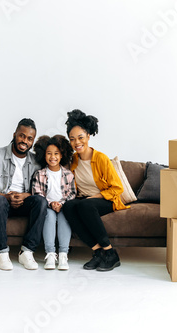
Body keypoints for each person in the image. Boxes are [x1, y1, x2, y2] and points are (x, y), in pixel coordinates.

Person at [0, 118, 47, 271]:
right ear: (14, 134)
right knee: (0, 201)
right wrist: (5, 196)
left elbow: (42, 187)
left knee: (41, 201)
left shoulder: (35, 162)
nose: (24, 141)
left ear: (32, 142)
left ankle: (27, 251)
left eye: (29, 138)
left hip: (22, 202)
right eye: (22, 135)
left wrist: (24, 196)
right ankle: (1, 252)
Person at [62, 109, 129, 271]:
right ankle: (98, 252)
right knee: (68, 207)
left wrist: (93, 198)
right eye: (72, 139)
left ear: (88, 137)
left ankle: (111, 253)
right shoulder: (73, 160)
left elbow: (117, 188)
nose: (76, 142)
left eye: (80, 137)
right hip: (85, 201)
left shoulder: (100, 158)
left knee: (85, 205)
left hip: (106, 199)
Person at [32, 135, 76, 270]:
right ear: (44, 155)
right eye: (49, 153)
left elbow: (72, 193)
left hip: (63, 206)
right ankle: (50, 254)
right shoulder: (39, 174)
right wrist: (51, 203)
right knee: (49, 217)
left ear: (62, 155)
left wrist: (61, 204)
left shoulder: (68, 174)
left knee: (64, 218)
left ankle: (63, 254)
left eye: (56, 153)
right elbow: (37, 193)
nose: (53, 157)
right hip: (48, 206)